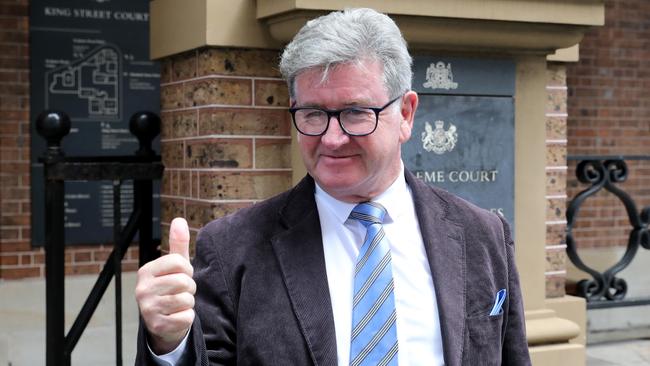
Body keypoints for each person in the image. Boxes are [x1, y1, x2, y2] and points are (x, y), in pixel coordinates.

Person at [135, 8, 531, 366]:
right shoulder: (233, 247)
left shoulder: (484, 235)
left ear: (406, 113)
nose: (332, 138)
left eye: (356, 113)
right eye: (312, 114)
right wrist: (170, 345)